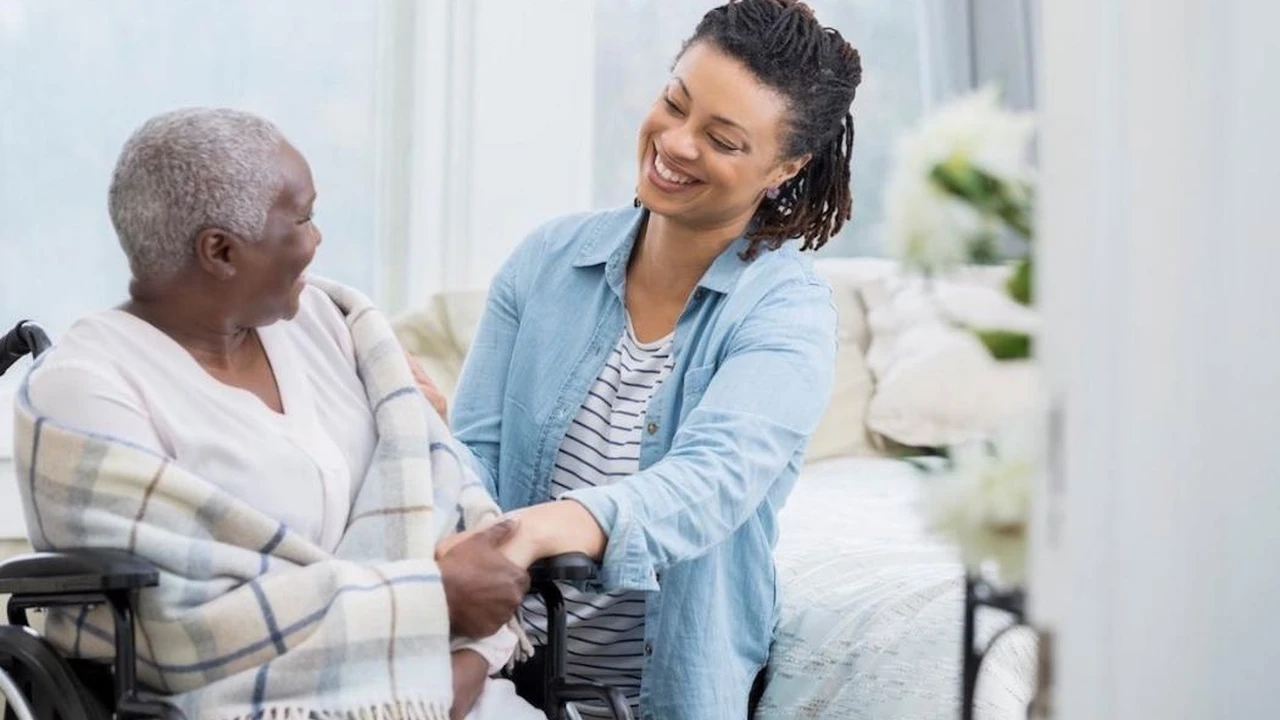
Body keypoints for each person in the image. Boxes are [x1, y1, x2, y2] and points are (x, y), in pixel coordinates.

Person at [19, 108, 540, 720]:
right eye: (303, 218)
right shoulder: (84, 390)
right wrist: (434, 600)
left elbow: (457, 507)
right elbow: (184, 627)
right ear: (221, 251)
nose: (318, 240)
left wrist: (464, 668)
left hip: (458, 692)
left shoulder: (335, 325)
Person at [447, 1, 863, 717]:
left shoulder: (785, 312)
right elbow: (473, 454)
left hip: (659, 697)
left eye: (724, 140)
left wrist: (542, 528)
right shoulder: (548, 260)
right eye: (674, 102)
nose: (676, 142)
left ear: (786, 166)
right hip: (500, 675)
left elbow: (711, 481)